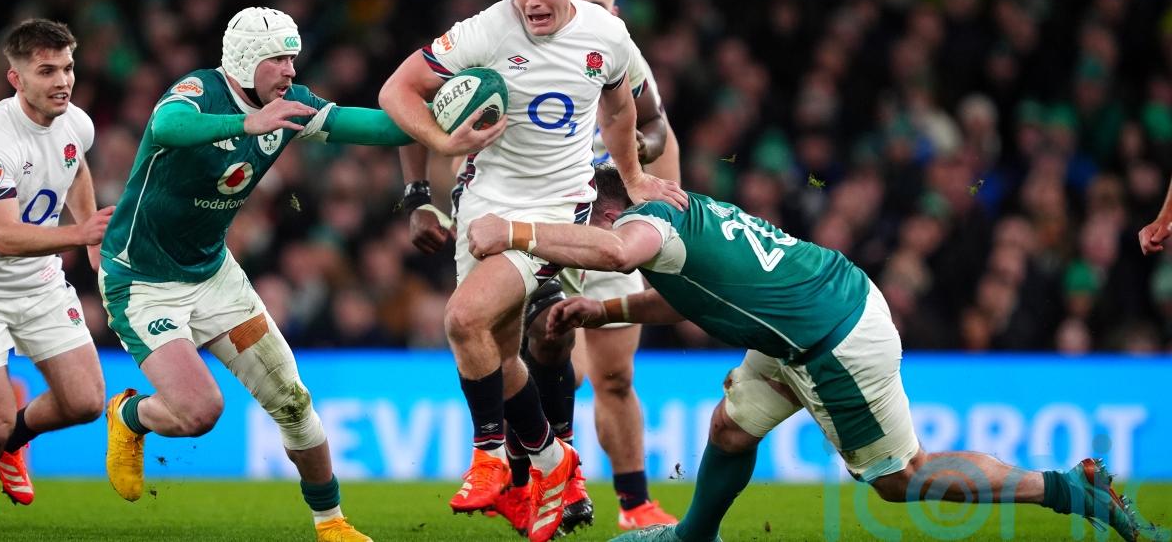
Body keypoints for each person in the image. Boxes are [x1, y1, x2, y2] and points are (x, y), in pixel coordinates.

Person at [467, 165, 1166, 542]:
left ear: (607, 207)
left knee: (900, 479)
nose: (580, 227)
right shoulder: (683, 216)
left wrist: (518, 232)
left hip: (833, 342)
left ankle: (1069, 488)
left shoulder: (644, 226)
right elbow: (690, 296)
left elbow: (620, 251)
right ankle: (692, 540)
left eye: (583, 213)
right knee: (730, 428)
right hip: (810, 314)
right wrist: (604, 310)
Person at [379, 0, 686, 542]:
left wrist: (633, 179)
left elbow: (622, 110)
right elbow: (397, 91)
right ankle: (552, 461)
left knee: (463, 319)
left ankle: (492, 456)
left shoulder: (608, 34)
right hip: (480, 205)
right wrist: (443, 143)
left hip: (554, 208)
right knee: (494, 349)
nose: (531, 1)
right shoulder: (487, 30)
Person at [99, 7, 413, 542]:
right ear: (246, 60)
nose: (291, 69)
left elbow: (375, 127)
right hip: (143, 282)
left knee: (293, 401)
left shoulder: (291, 105)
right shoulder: (200, 90)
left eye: (293, 58)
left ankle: (331, 523)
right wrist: (247, 123)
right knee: (199, 412)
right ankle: (130, 416)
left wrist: (441, 121)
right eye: (279, 59)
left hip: (214, 276)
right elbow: (166, 125)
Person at [495, 0, 680, 535]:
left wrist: (641, 162)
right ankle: (535, 481)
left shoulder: (625, 58)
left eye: (603, 9)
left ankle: (635, 502)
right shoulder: (521, 51)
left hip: (610, 234)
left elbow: (659, 130)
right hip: (543, 226)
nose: (594, 19)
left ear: (614, 12)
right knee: (548, 360)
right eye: (585, 7)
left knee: (615, 377)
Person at [0, 19, 114, 535]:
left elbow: (76, 168)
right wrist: (80, 235)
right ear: (16, 78)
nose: (63, 81)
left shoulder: (76, 122)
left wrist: (91, 235)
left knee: (85, 402)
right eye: (47, 71)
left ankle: (12, 444)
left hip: (39, 284)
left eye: (68, 68)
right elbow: (4, 237)